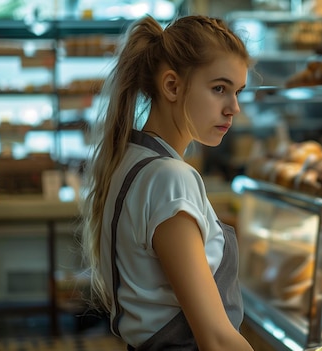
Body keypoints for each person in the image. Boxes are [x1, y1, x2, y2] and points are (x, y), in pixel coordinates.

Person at [79, 14, 254, 351]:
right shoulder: (171, 178)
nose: (234, 108)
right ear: (172, 86)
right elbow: (216, 339)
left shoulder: (129, 158)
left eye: (237, 92)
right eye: (219, 88)